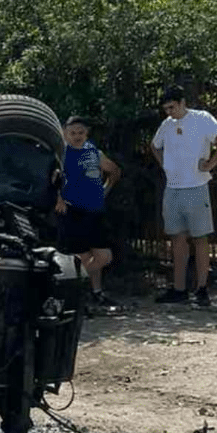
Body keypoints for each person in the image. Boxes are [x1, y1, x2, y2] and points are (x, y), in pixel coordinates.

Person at [151, 85, 217, 307]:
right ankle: (179, 289)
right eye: (166, 109)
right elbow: (155, 145)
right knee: (177, 238)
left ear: (182, 102)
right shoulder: (167, 124)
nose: (169, 112)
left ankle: (202, 288)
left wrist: (210, 164)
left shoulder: (202, 118)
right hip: (173, 187)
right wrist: (165, 165)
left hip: (196, 186)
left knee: (200, 238)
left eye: (172, 107)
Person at [55, 116, 122, 308]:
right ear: (65, 133)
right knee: (82, 256)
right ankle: (91, 294)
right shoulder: (61, 154)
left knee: (104, 256)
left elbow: (115, 171)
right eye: (73, 133)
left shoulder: (94, 152)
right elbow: (52, 180)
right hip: (73, 211)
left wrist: (105, 190)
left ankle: (73, 287)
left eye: (81, 132)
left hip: (95, 210)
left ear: (87, 133)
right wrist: (59, 198)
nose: (77, 136)